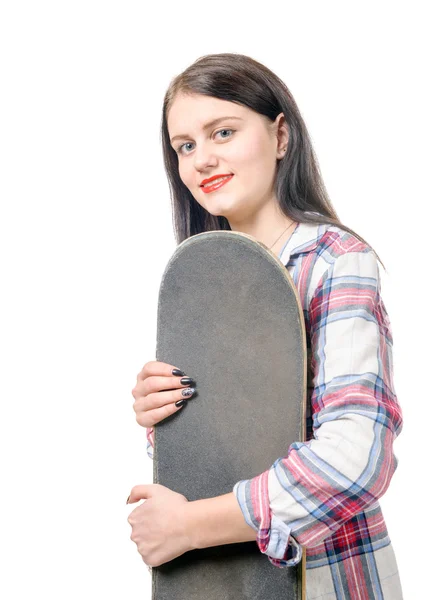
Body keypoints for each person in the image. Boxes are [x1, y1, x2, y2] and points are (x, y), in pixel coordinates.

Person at [127, 53, 403, 599]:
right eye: (184, 146)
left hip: (329, 581)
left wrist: (188, 526)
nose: (202, 159)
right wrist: (169, 423)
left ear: (280, 135)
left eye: (222, 132)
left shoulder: (335, 260)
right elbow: (231, 455)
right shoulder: (201, 281)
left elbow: (357, 458)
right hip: (220, 583)